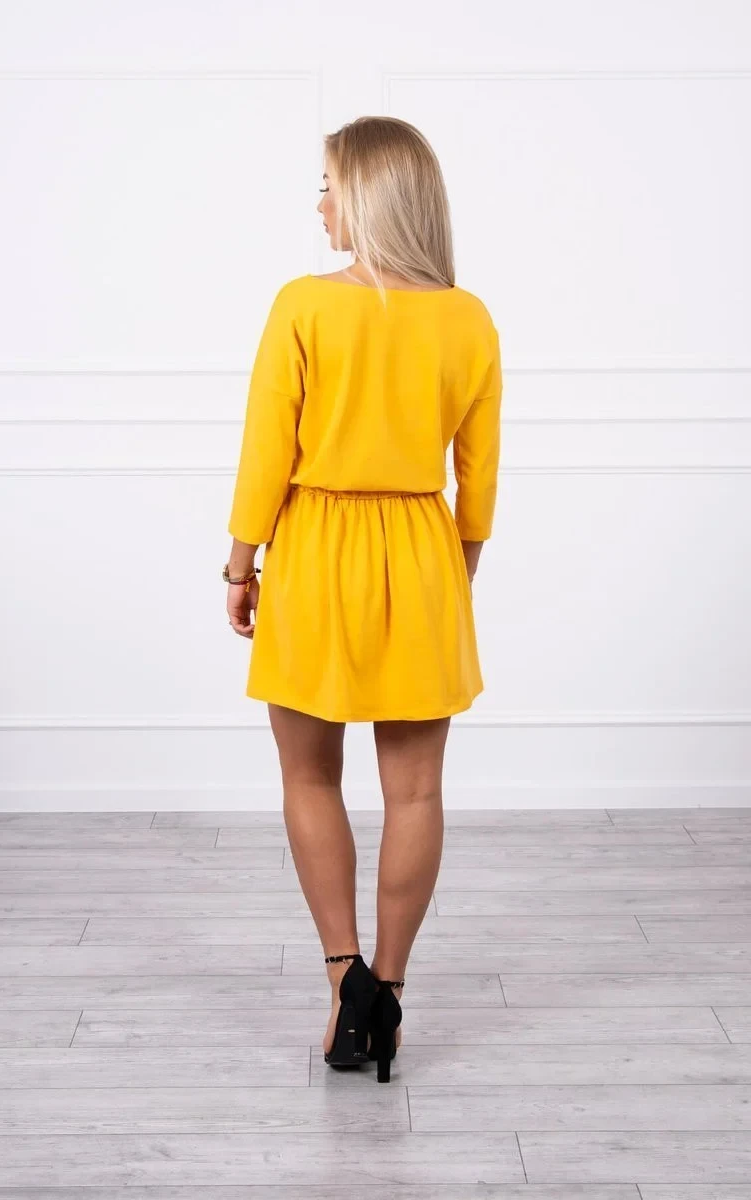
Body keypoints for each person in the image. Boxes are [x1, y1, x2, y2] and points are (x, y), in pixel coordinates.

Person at [224, 116, 502, 1083]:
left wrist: (240, 563)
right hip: (422, 549)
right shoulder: (467, 318)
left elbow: (268, 446)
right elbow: (479, 473)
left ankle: (345, 985)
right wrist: (456, 568)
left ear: (371, 197)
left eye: (330, 186)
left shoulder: (304, 305)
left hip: (316, 548)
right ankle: (389, 990)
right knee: (416, 789)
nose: (320, 206)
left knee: (310, 778)